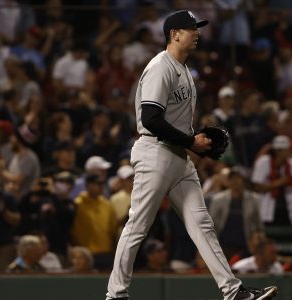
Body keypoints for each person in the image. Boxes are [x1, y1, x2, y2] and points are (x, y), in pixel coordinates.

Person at [106, 10, 278, 300]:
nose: (196, 33)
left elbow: (172, 122)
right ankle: (116, 295)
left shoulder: (184, 69)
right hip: (155, 152)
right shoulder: (161, 66)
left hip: (178, 156)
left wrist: (196, 142)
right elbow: (150, 118)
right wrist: (191, 141)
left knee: (202, 225)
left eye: (196, 28)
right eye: (190, 28)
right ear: (174, 34)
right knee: (138, 225)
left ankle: (233, 291)